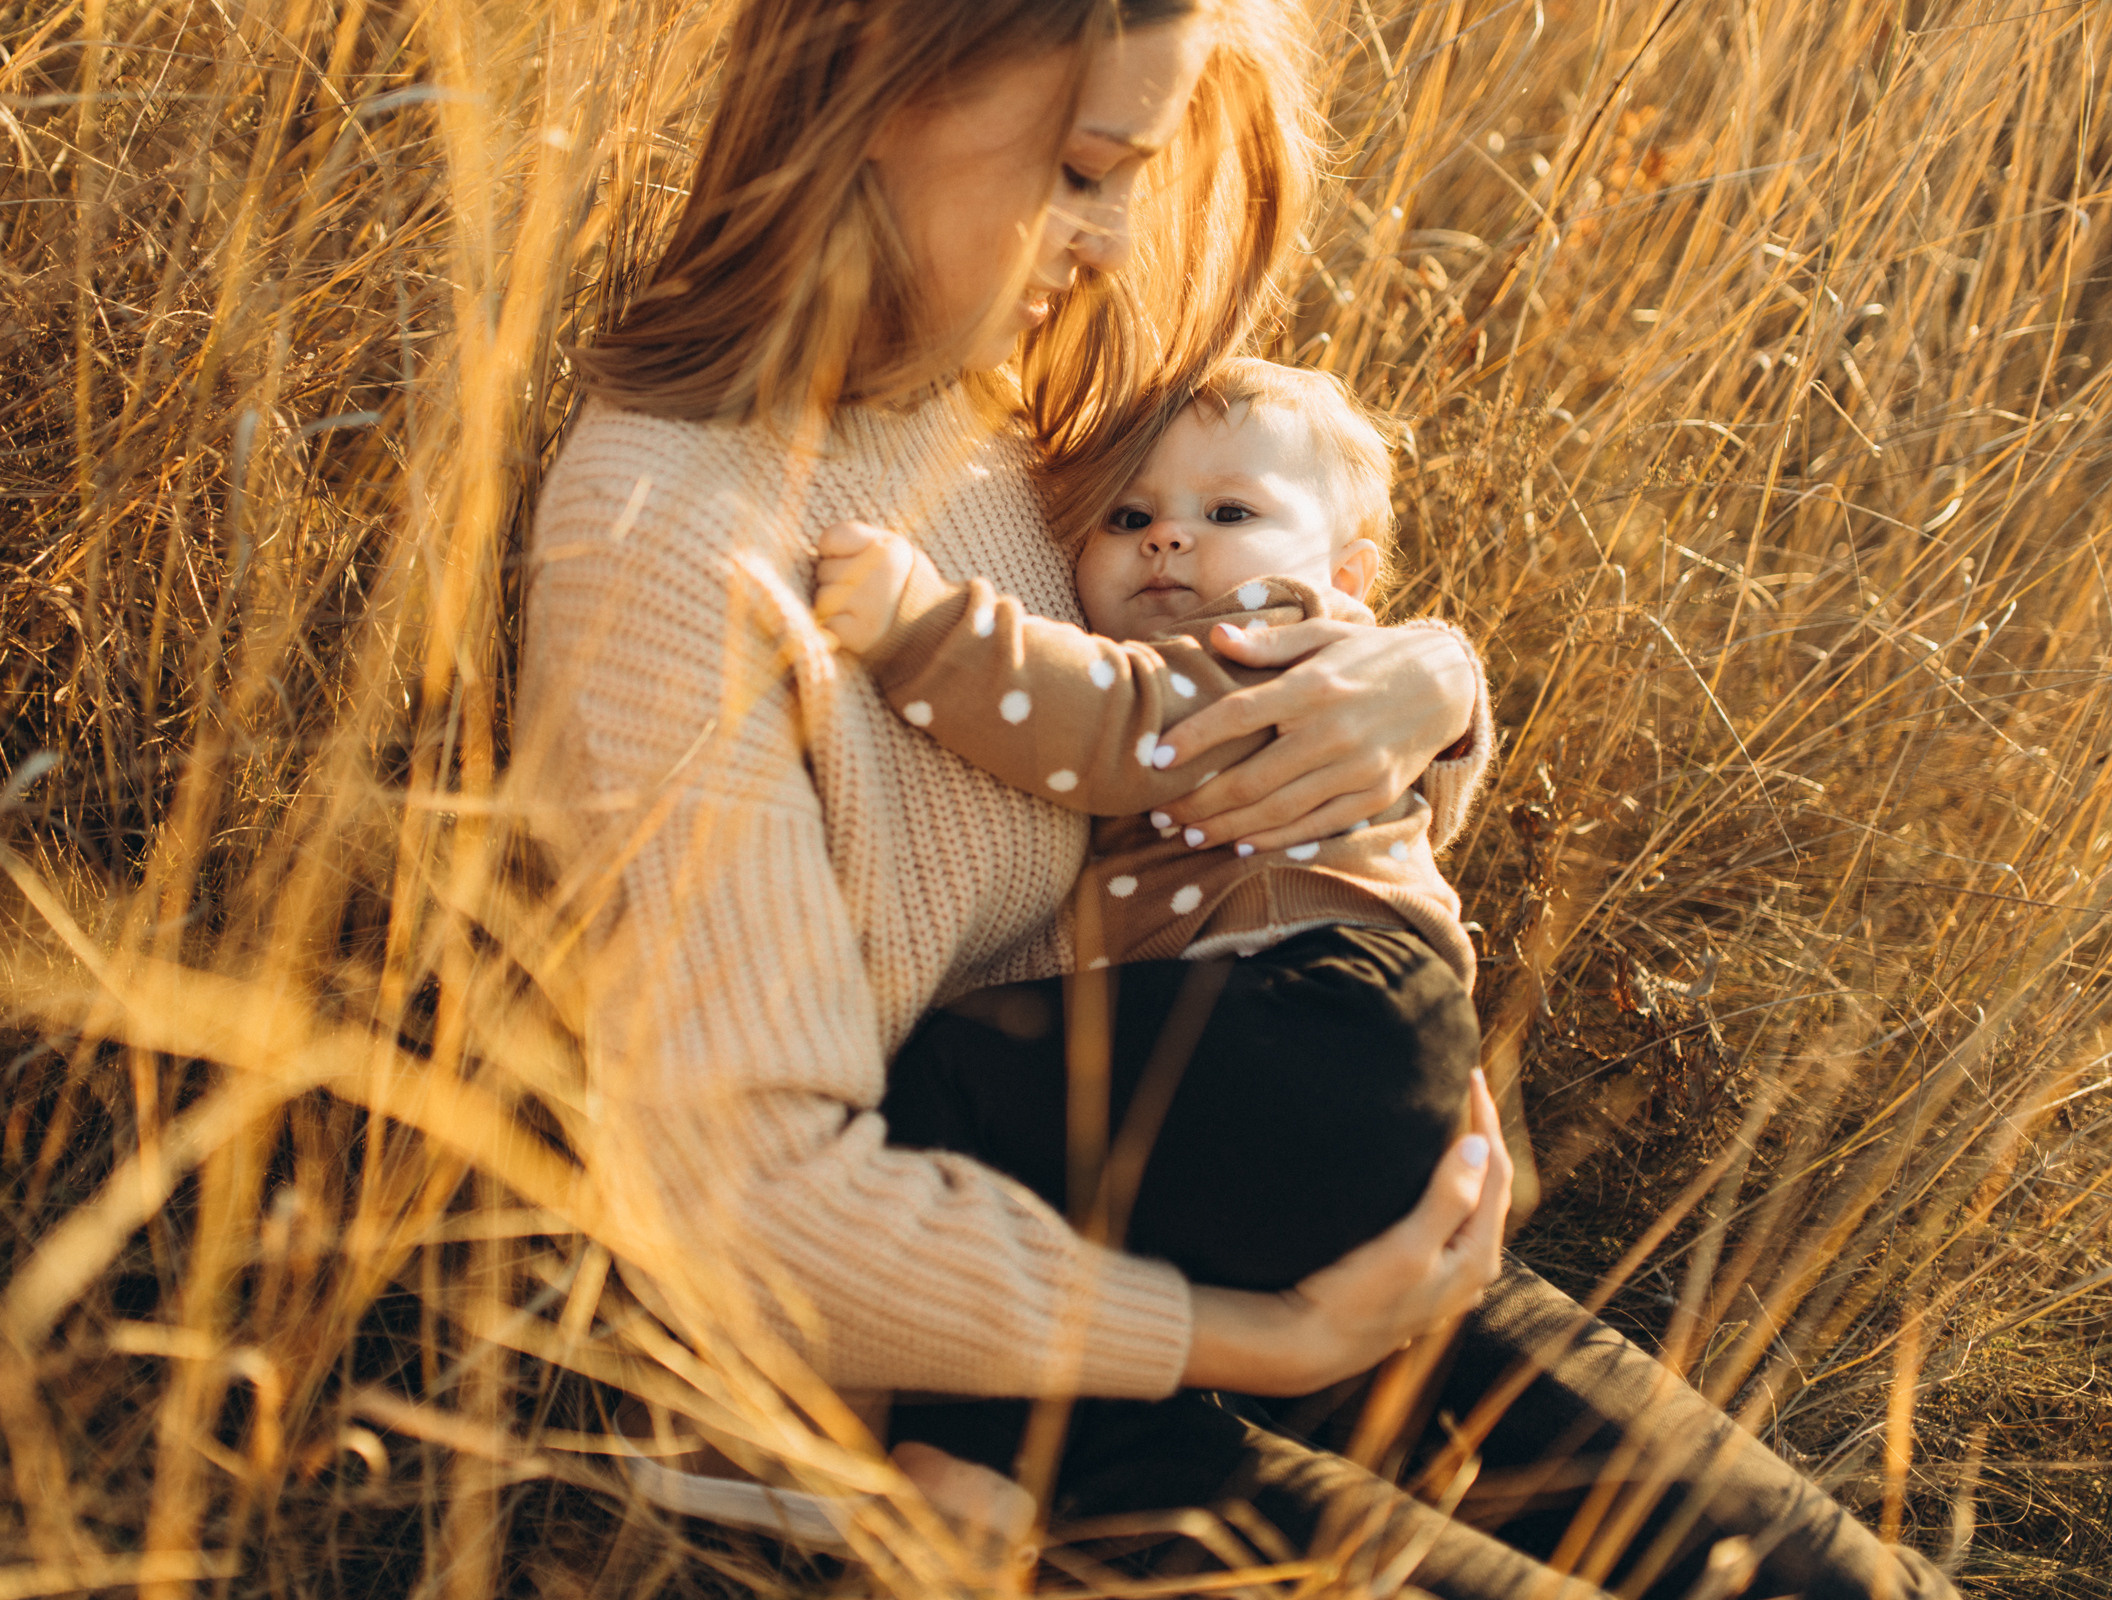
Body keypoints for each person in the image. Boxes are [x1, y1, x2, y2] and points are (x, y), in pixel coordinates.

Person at [513, 0, 1958, 1593]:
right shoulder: (661, 539)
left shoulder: (1009, 424)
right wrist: (1259, 1339)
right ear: (880, 86)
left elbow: (1232, 697)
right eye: (1081, 167)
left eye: (1134, 169)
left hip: (1258, 1230)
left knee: (1834, 1583)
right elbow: (756, 1211)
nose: (1114, 236)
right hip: (1000, 1400)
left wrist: (1428, 685)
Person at [813, 358, 1480, 1290]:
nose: (1167, 537)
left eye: (1230, 514)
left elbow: (1120, 729)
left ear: (1345, 574)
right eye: (1129, 518)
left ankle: (928, 1408)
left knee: (947, 1083)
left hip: (1319, 1009)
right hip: (1308, 1048)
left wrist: (924, 630)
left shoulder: (1270, 633)